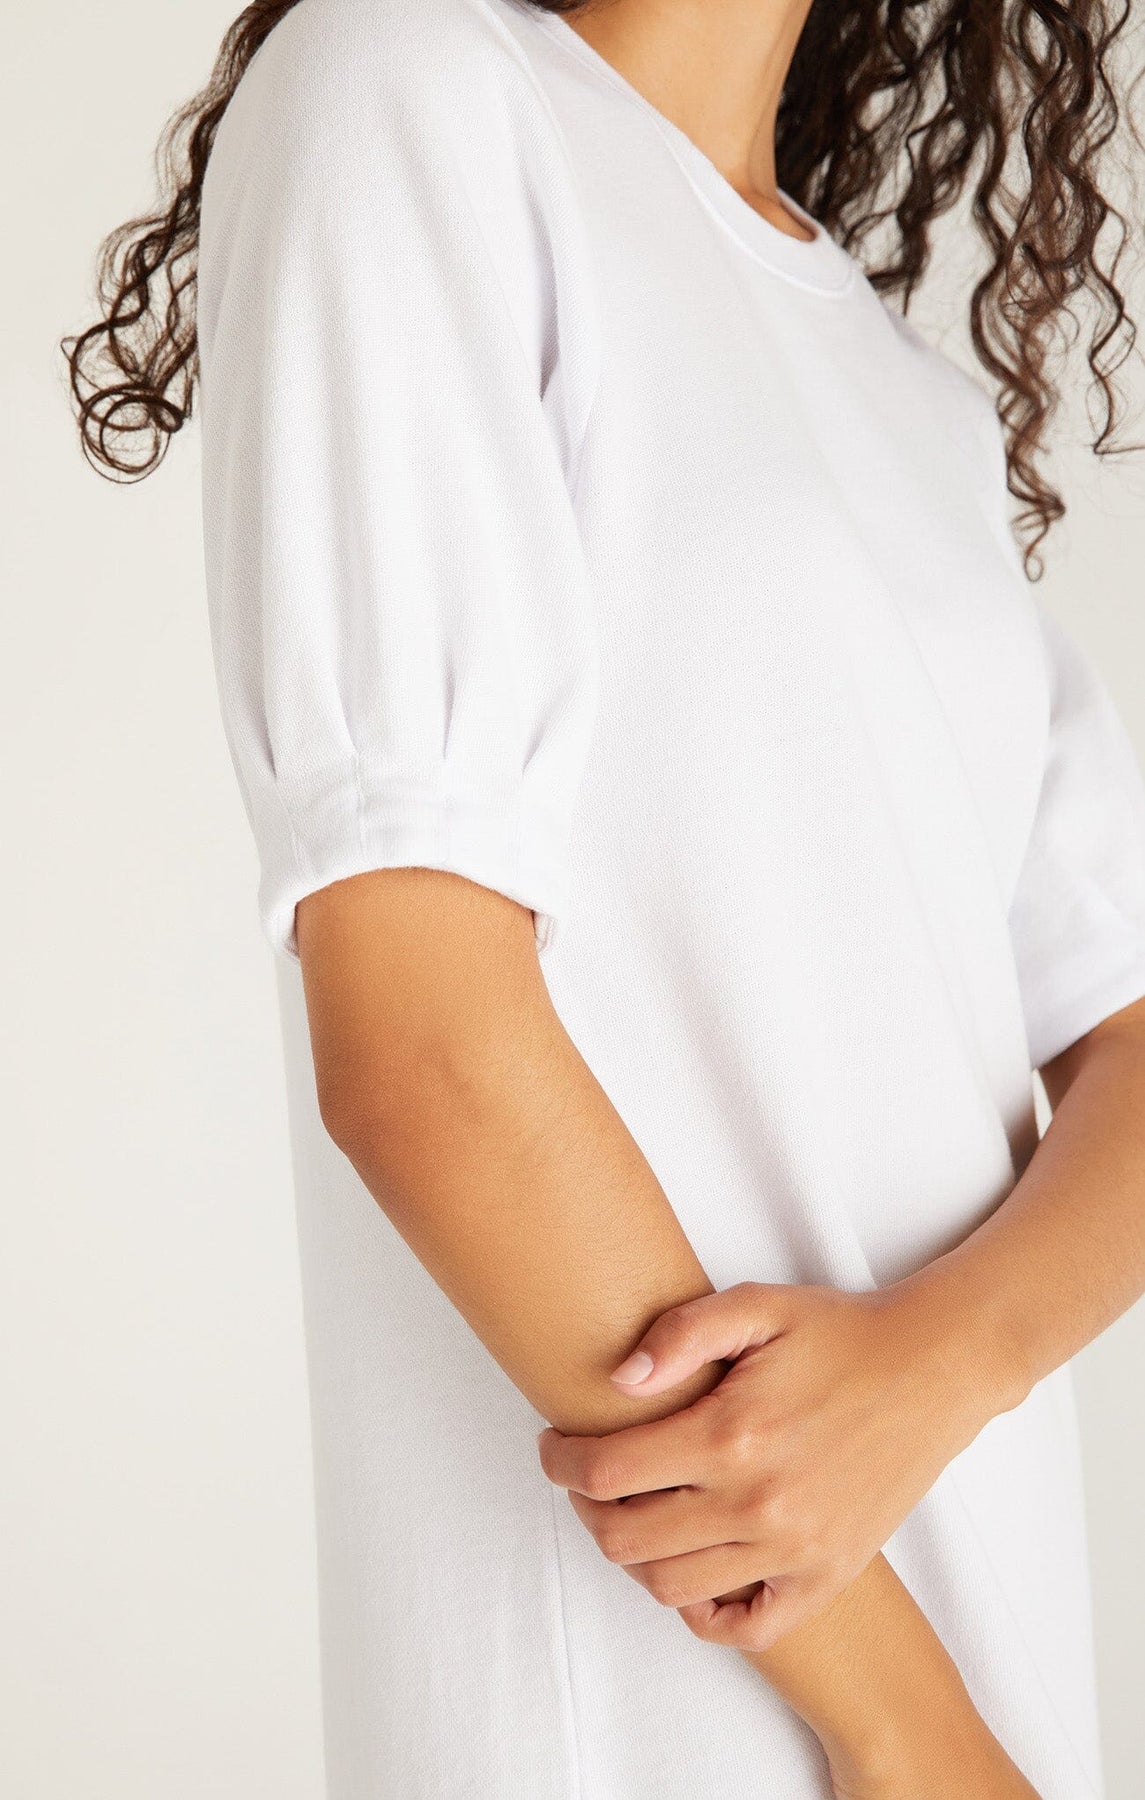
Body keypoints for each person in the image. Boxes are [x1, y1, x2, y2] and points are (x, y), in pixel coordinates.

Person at [64, 0, 1145, 1794]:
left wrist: (939, 1360)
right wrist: (912, 1736)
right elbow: (425, 1052)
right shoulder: (407, 92)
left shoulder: (915, 413)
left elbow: (1128, 1032)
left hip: (997, 1692)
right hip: (683, 1727)